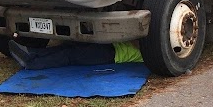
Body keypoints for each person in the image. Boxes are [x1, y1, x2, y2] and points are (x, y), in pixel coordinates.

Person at [8, 39, 143, 70]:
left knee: (70, 55)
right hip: (110, 45)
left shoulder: (152, 51)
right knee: (68, 46)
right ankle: (32, 52)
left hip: (112, 55)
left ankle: (32, 63)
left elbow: (137, 43)